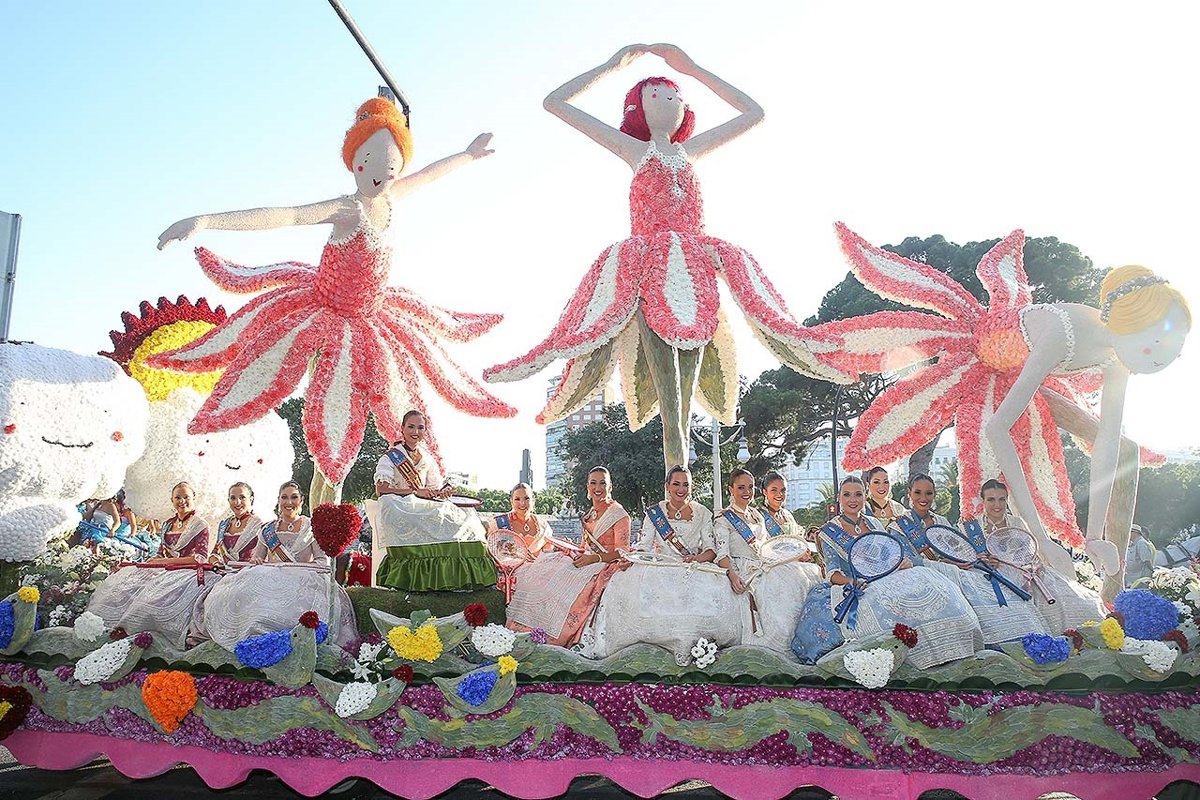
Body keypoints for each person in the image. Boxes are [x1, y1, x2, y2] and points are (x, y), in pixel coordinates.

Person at [484, 43, 842, 472]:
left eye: (674, 95)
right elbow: (555, 103)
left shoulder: (691, 151)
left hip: (693, 261)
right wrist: (610, 66)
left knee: (690, 360)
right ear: (637, 107)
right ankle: (676, 455)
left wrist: (695, 69)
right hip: (648, 261)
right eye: (656, 95)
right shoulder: (635, 151)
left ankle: (680, 457)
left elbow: (754, 113)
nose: (668, 100)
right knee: (666, 377)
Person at [154, 96, 514, 496]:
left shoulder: (393, 198)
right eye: (369, 165)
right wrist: (205, 221)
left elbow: (430, 174)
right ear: (355, 163)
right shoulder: (347, 209)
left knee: (350, 438)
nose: (380, 177)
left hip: (374, 316)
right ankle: (322, 517)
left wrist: (467, 155)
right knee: (328, 435)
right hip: (323, 311)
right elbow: (286, 215)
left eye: (390, 169)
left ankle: (334, 513)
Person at [984, 267, 1191, 576]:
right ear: (1133, 323)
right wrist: (1040, 538)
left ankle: (1110, 584)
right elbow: (997, 428)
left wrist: (1094, 537)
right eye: (1156, 344)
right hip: (992, 364)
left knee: (1125, 449)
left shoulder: (1117, 356)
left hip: (1034, 380)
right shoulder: (1065, 333)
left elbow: (1108, 438)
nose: (1162, 360)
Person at [816, 476, 982, 669]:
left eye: (858, 494)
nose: (853, 500)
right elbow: (833, 573)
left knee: (926, 580)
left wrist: (900, 562)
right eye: (847, 495)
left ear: (865, 496)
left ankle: (948, 644)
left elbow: (889, 555)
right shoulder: (829, 532)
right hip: (858, 583)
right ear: (839, 498)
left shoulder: (874, 523)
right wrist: (852, 581)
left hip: (887, 577)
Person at [583, 466, 739, 662]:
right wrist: (632, 558)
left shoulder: (702, 513)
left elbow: (711, 550)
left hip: (692, 566)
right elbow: (644, 546)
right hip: (661, 566)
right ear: (667, 486)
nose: (681, 489)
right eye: (676, 484)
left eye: (685, 485)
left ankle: (698, 646)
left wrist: (696, 559)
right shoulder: (655, 513)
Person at [195, 481, 356, 649]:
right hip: (270, 578)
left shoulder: (311, 528)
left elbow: (322, 562)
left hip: (303, 579)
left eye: (294, 497)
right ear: (279, 500)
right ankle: (252, 641)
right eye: (284, 497)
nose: (289, 502)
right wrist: (257, 562)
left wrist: (295, 568)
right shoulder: (268, 529)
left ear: (301, 500)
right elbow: (257, 558)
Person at [891, 474, 1046, 646]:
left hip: (956, 568)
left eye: (928, 493)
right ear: (909, 493)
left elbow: (957, 550)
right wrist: (945, 564)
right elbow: (906, 558)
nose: (923, 498)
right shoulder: (899, 525)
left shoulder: (941, 521)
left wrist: (958, 561)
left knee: (981, 582)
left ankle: (1010, 629)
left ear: (934, 494)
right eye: (917, 492)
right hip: (923, 572)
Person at [85, 482, 220, 649]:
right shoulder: (167, 524)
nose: (182, 501)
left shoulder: (200, 524)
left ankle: (144, 633)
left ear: (194, 498)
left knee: (155, 596)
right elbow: (161, 552)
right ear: (172, 500)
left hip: (188, 572)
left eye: (186, 497)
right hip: (164, 568)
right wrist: (152, 561)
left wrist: (163, 562)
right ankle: (110, 629)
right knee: (126, 582)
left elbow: (199, 558)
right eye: (178, 497)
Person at [506, 467, 630, 647]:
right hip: (585, 561)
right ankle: (527, 628)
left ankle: (552, 637)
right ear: (587, 487)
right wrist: (571, 550)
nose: (598, 488)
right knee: (546, 571)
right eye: (593, 483)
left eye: (602, 483)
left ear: (610, 486)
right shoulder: (589, 514)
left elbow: (623, 551)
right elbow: (584, 548)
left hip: (603, 564)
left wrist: (593, 559)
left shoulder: (618, 514)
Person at [372, 410, 495, 591]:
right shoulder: (390, 457)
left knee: (466, 514)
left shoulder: (427, 458)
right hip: (401, 505)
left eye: (420, 427)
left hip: (423, 504)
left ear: (425, 430)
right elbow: (381, 489)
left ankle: (456, 576)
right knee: (394, 503)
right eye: (411, 427)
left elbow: (433, 489)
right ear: (402, 428)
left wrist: (442, 493)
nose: (415, 432)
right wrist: (415, 492)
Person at [710, 470, 819, 651]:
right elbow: (722, 554)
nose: (747, 492)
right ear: (730, 490)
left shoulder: (756, 515)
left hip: (764, 563)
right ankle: (774, 642)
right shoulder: (723, 518)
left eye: (750, 487)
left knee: (804, 574)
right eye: (741, 487)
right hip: (743, 568)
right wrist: (732, 575)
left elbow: (767, 546)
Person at [979, 479, 1104, 633]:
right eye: (991, 499)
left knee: (1062, 596)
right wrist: (986, 562)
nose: (997, 505)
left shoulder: (1017, 523)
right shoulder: (973, 527)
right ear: (983, 501)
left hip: (1023, 572)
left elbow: (1030, 552)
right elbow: (969, 558)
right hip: (991, 576)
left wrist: (1032, 567)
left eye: (1002, 499)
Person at [210, 482, 265, 565]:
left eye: (242, 497)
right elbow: (214, 554)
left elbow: (268, 555)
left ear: (251, 499)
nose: (237, 502)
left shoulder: (259, 525)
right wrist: (216, 563)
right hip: (225, 570)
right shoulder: (224, 525)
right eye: (233, 498)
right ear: (228, 500)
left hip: (250, 570)